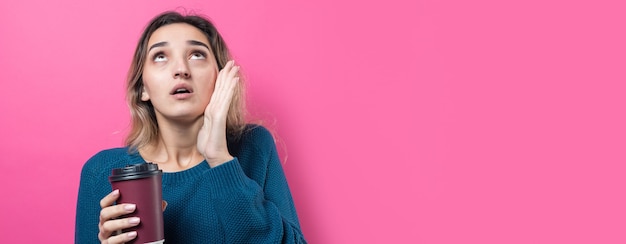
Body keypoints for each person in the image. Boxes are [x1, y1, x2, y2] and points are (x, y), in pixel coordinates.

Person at [75, 11, 306, 243]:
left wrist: (221, 161)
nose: (181, 69)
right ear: (142, 88)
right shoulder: (102, 172)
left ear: (220, 77)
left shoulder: (254, 147)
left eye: (197, 55)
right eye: (160, 57)